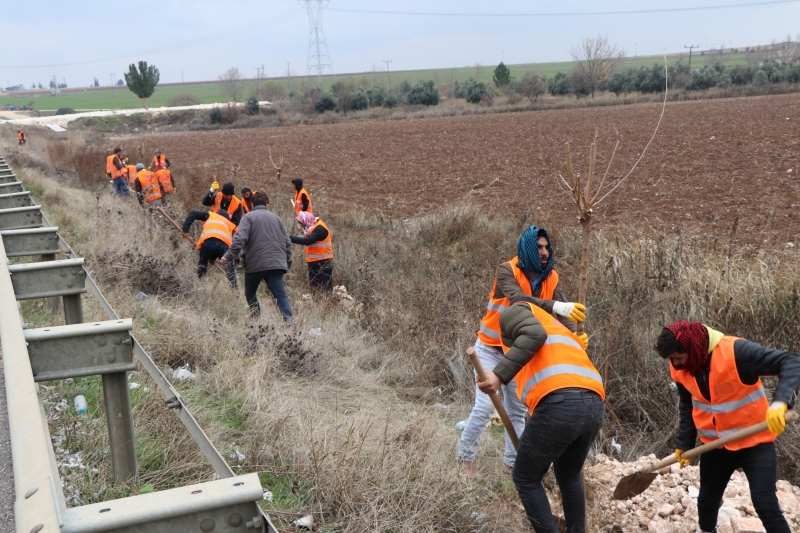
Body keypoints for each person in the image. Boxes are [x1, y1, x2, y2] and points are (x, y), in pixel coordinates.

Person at [458, 225, 587, 476]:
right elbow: (519, 300)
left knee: (517, 411)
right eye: (539, 247)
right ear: (528, 247)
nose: (545, 252)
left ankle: (511, 465)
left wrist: (575, 337)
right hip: (490, 348)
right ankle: (465, 459)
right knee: (484, 407)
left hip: (518, 353)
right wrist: (558, 307)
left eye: (547, 247)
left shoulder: (551, 277)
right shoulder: (507, 270)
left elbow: (563, 314)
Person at [655, 321, 800, 533]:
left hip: (754, 443)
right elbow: (687, 403)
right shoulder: (681, 366)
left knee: (764, 503)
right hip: (715, 446)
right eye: (671, 360)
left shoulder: (736, 352)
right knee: (706, 502)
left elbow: (791, 361)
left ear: (693, 349)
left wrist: (781, 402)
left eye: (678, 358)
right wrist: (684, 444)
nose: (675, 364)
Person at [477, 301, 605, 533]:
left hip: (560, 404)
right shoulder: (559, 329)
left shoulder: (517, 309)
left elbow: (535, 334)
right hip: (594, 405)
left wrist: (498, 375)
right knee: (569, 476)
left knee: (525, 477)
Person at [220, 192, 293, 322]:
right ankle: (290, 324)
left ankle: (255, 317)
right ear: (266, 204)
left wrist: (227, 257)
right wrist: (288, 262)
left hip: (255, 263)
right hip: (276, 263)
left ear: (252, 204)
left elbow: (240, 239)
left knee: (250, 292)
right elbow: (287, 242)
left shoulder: (248, 217)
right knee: (281, 295)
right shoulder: (277, 219)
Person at [181, 209, 237, 288]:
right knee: (230, 271)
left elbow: (193, 213)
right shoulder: (229, 224)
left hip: (208, 243)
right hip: (223, 246)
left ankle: (200, 287)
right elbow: (219, 241)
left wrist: (185, 229)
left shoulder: (210, 215)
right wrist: (213, 259)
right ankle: (235, 292)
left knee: (202, 265)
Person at [291, 211, 334, 292]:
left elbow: (308, 241)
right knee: (315, 291)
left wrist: (290, 238)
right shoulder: (311, 228)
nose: (301, 225)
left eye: (302, 223)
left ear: (306, 220)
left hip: (323, 265)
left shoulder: (320, 228)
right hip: (314, 264)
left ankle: (327, 304)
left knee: (325, 292)